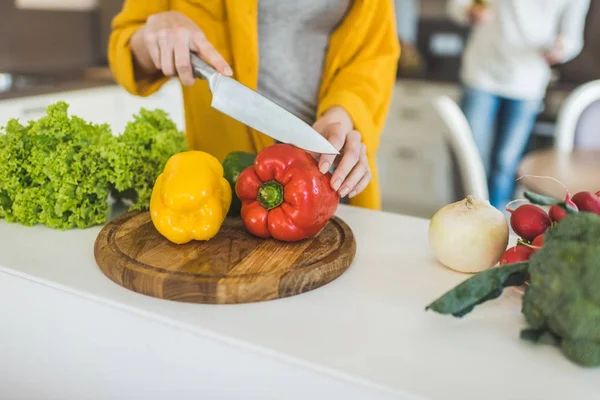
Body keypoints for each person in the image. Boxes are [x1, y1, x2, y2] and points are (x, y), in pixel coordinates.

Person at [108, 1, 400, 210]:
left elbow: (374, 52)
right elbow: (128, 49)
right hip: (226, 186)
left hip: (329, 172)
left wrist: (342, 114)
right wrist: (153, 35)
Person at [447, 0, 590, 210]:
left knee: (506, 164)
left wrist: (562, 48)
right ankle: (462, 215)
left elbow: (572, 39)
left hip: (528, 80)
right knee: (469, 158)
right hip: (482, 72)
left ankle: (494, 219)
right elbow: (458, 5)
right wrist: (469, 11)